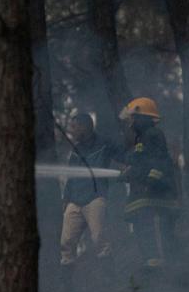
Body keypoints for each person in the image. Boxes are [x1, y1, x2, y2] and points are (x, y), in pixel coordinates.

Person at [118, 97, 179, 269]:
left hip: (157, 192)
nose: (131, 123)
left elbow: (160, 158)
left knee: (155, 227)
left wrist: (152, 179)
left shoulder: (153, 133)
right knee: (142, 225)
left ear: (143, 117)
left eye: (133, 118)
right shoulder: (141, 138)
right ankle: (151, 261)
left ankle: (163, 264)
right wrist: (129, 173)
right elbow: (141, 160)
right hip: (144, 192)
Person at [60, 113, 119, 272]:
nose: (72, 131)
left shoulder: (104, 143)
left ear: (85, 127)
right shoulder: (75, 151)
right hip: (74, 200)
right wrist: (66, 199)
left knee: (99, 238)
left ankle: (109, 278)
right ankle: (67, 287)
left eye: (75, 127)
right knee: (66, 241)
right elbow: (71, 177)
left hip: (95, 198)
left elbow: (122, 155)